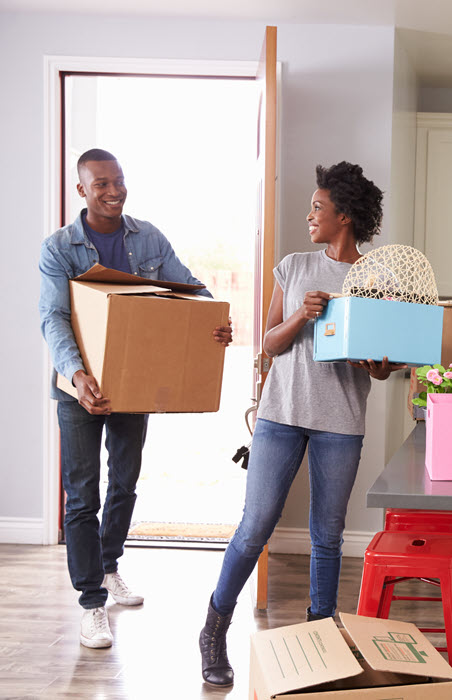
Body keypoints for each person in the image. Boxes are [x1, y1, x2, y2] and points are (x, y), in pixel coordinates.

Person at [199, 161, 403, 687]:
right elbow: (267, 344)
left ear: (345, 215)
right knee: (255, 527)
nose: (309, 215)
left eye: (317, 207)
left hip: (340, 422)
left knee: (328, 536)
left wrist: (376, 363)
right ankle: (215, 625)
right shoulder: (292, 268)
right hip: (280, 417)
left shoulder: (377, 279)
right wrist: (299, 317)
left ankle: (320, 639)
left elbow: (384, 368)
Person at [38, 148, 233, 649]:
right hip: (79, 386)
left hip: (133, 381)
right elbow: (53, 318)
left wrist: (211, 321)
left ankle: (109, 567)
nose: (113, 190)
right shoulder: (60, 247)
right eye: (101, 183)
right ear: (82, 190)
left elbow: (188, 288)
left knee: (124, 482)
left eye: (118, 180)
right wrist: (79, 377)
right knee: (82, 495)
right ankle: (90, 603)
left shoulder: (147, 237)